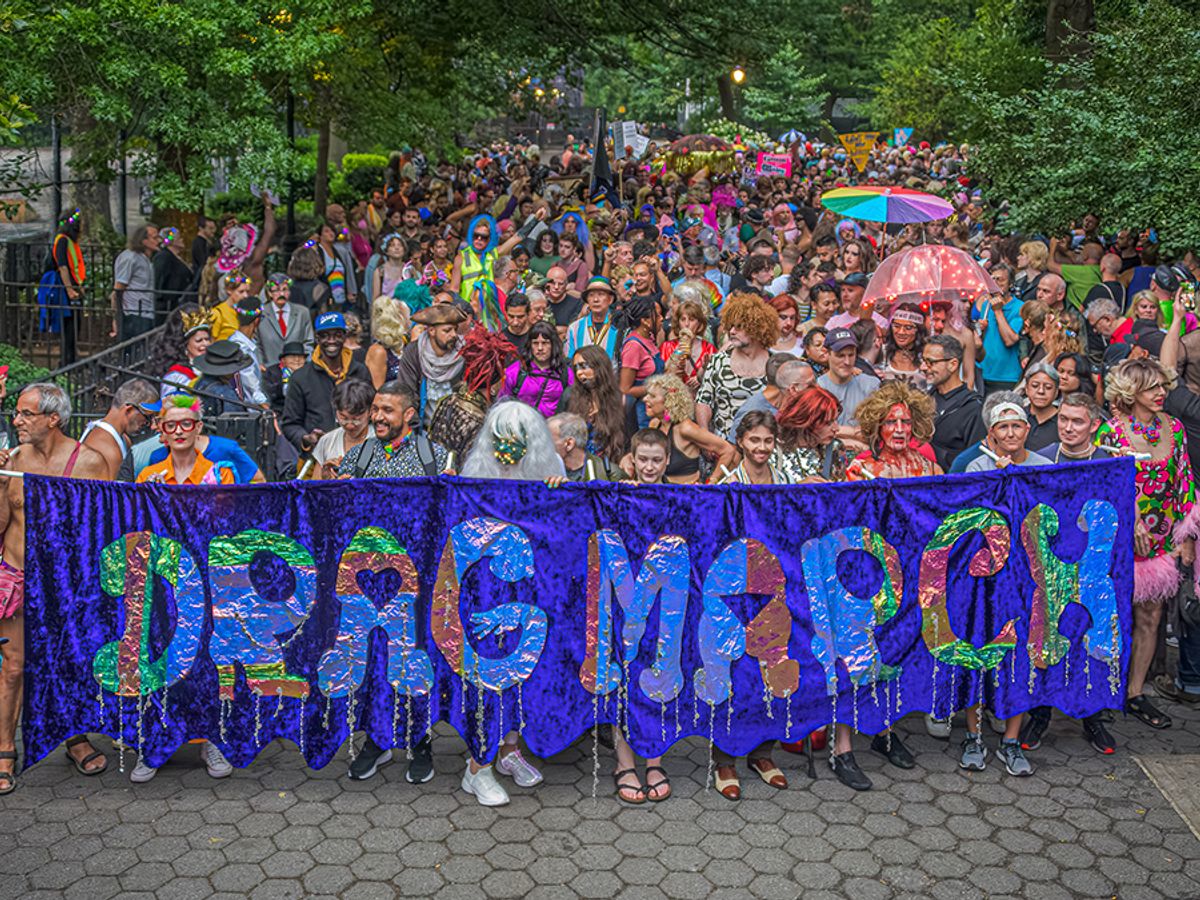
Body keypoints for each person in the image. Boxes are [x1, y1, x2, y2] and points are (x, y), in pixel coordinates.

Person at [0, 384, 110, 793]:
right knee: (13, 668)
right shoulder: (12, 461)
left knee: (66, 662)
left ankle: (73, 738)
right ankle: (5, 749)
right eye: (17, 413)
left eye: (26, 414)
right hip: (15, 575)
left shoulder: (90, 463)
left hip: (65, 584)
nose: (17, 421)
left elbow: (101, 528)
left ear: (53, 419)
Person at [1099, 358, 1199, 731]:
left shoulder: (1174, 428)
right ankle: (1103, 692)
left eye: (1163, 386)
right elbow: (1103, 487)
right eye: (1153, 387)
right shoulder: (1109, 432)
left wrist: (1186, 535)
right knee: (1110, 616)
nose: (1162, 393)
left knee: (1151, 616)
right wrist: (1132, 520)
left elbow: (1185, 482)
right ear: (1131, 392)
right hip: (1118, 539)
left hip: (1160, 542)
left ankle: (1135, 693)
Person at [282, 312, 372, 453]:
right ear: (317, 338)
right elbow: (290, 424)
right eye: (325, 335)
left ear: (344, 336)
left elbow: (371, 412)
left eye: (337, 335)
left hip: (358, 454)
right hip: (317, 456)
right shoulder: (301, 378)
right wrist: (306, 438)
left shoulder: (360, 372)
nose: (331, 340)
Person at [696, 292, 779, 437]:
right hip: (723, 446)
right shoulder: (719, 361)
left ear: (757, 328)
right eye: (731, 326)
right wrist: (706, 438)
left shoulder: (775, 365)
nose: (732, 331)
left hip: (763, 445)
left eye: (739, 327)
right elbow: (704, 401)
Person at [638, 374, 736, 484]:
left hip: (687, 496)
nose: (645, 399)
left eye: (652, 396)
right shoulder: (654, 425)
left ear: (668, 401)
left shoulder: (685, 428)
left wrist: (711, 483)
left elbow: (728, 450)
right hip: (662, 494)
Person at [846, 381, 942, 480]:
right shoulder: (863, 471)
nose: (899, 429)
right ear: (878, 427)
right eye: (890, 422)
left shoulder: (932, 471)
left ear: (915, 425)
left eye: (906, 421)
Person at [394, 303, 468, 426]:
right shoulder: (414, 352)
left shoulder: (464, 351)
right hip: (424, 426)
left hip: (457, 426)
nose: (454, 335)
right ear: (432, 331)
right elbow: (406, 391)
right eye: (447, 330)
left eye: (455, 329)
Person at [922, 335, 985, 471]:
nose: (923, 367)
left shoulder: (973, 408)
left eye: (931, 362)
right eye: (923, 361)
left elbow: (974, 460)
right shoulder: (924, 399)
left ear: (953, 364)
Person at [81, 378, 158, 479]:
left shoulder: (122, 438)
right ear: (129, 410)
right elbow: (111, 493)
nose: (148, 424)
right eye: (147, 417)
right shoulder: (108, 450)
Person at [816, 327, 879, 444]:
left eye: (851, 355)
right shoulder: (818, 388)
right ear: (826, 353)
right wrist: (854, 433)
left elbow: (875, 432)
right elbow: (817, 432)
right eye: (840, 355)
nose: (847, 362)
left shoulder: (871, 385)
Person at [566, 345, 627, 464]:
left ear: (599, 367)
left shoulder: (621, 400)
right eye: (576, 368)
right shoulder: (570, 396)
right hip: (577, 467)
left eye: (584, 366)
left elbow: (629, 440)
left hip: (610, 466)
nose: (579, 372)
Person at [774, 386, 847, 483]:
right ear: (806, 421)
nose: (836, 429)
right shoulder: (773, 448)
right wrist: (798, 488)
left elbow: (842, 492)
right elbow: (762, 494)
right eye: (828, 423)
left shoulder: (834, 448)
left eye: (836, 420)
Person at [501, 321, 573, 417]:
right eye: (535, 343)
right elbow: (502, 405)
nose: (540, 348)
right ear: (530, 345)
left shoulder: (565, 373)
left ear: (553, 345)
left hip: (553, 429)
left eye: (545, 343)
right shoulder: (516, 371)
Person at [618, 297, 664, 433]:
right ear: (645, 321)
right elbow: (625, 389)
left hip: (654, 409)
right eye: (658, 315)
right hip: (642, 414)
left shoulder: (649, 339)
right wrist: (658, 388)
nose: (662, 318)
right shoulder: (633, 346)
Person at [312, 379, 376, 479]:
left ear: (370, 412)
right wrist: (325, 481)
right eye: (343, 417)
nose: (350, 425)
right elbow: (314, 486)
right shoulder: (327, 441)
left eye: (356, 419)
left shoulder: (380, 441)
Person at [111, 224, 162, 339]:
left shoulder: (147, 260)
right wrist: (116, 317)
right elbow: (118, 289)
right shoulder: (130, 258)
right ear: (143, 241)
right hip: (133, 313)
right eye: (155, 238)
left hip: (146, 311)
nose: (159, 241)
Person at [660, 294, 718, 391]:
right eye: (683, 319)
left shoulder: (709, 348)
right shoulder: (667, 347)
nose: (686, 324)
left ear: (699, 324)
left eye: (692, 320)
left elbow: (716, 378)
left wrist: (700, 378)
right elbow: (660, 377)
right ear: (678, 323)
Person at [258, 273, 315, 366]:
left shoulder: (302, 312)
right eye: (276, 290)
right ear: (269, 293)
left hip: (297, 368)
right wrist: (260, 363)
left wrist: (305, 364)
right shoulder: (261, 314)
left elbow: (308, 341)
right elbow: (257, 343)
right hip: (270, 369)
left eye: (285, 290)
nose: (281, 294)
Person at [974, 288, 1025, 392]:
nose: (995, 285)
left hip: (1007, 376)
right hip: (983, 372)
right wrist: (980, 328)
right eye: (993, 280)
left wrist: (998, 311)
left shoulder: (1020, 307)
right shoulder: (986, 305)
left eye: (1000, 280)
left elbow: (1009, 340)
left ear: (1010, 284)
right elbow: (983, 340)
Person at [548, 412, 621, 481]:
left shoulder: (611, 475)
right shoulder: (545, 472)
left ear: (569, 444)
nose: (544, 445)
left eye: (549, 440)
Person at [723, 410, 790, 484]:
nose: (762, 447)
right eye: (754, 440)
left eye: (768, 441)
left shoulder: (788, 481)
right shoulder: (727, 488)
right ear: (740, 442)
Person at [565, 277, 620, 360]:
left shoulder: (618, 327)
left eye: (601, 294)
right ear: (587, 300)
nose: (596, 299)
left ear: (610, 299)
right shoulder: (575, 328)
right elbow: (568, 361)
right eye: (591, 295)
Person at [228, 295, 268, 407]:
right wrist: (265, 406)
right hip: (248, 411)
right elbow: (252, 387)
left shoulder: (245, 342)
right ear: (257, 321)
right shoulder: (241, 348)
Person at [153, 227, 193, 314]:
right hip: (168, 305)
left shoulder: (178, 258)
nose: (182, 239)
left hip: (180, 301)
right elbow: (160, 279)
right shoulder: (164, 257)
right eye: (178, 237)